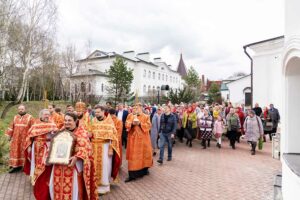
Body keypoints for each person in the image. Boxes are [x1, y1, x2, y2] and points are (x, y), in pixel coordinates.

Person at [49, 112, 98, 199]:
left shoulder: (82, 132)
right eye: (65, 120)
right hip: (58, 165)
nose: (67, 122)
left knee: (73, 189)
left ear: (76, 121)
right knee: (55, 186)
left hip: (73, 166)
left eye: (69, 120)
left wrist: (76, 156)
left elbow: (87, 149)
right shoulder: (61, 131)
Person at [23, 109, 57, 200]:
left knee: (47, 166)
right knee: (37, 164)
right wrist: (29, 147)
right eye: (45, 114)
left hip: (49, 147)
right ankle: (36, 180)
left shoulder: (52, 124)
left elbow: (57, 136)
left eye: (48, 114)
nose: (47, 116)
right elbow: (29, 137)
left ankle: (46, 181)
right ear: (41, 115)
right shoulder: (36, 124)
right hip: (37, 148)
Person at [89, 105, 120, 194]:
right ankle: (94, 185)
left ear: (103, 111)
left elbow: (113, 137)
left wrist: (111, 148)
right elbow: (90, 132)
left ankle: (104, 187)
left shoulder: (109, 122)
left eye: (98, 112)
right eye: (95, 112)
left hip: (105, 147)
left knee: (105, 166)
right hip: (94, 147)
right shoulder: (93, 121)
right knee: (94, 166)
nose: (96, 113)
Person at [125, 103, 153, 182]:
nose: (135, 109)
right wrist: (132, 124)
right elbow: (126, 124)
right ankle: (132, 175)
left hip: (144, 140)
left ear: (141, 108)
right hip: (133, 141)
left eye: (137, 108)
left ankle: (144, 170)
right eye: (134, 108)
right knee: (133, 157)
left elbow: (148, 126)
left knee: (145, 155)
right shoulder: (130, 116)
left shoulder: (146, 116)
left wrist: (140, 123)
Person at [5, 104, 34, 173]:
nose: (20, 110)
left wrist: (32, 138)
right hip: (16, 139)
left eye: (22, 109)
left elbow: (33, 128)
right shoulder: (15, 117)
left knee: (24, 152)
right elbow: (11, 127)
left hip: (25, 139)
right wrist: (9, 136)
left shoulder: (30, 117)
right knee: (15, 152)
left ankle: (24, 166)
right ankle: (15, 166)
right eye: (19, 109)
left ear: (25, 109)